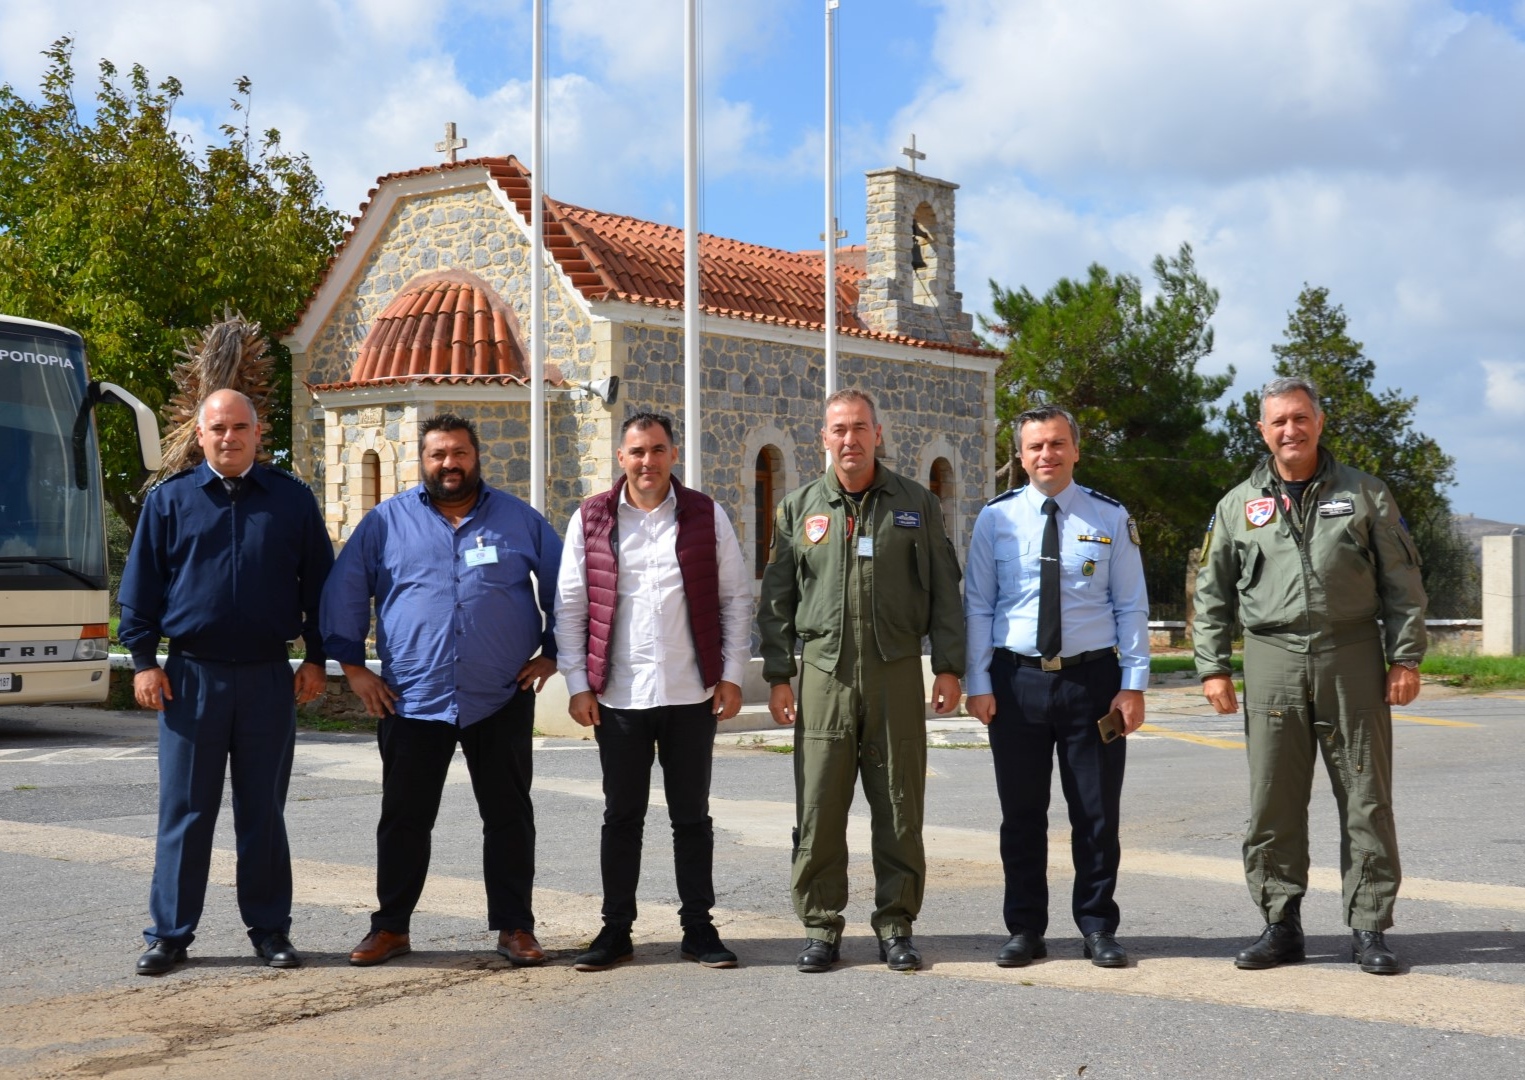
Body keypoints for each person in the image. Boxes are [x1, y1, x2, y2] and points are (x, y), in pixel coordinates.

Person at [1194, 376, 1427, 975]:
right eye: (1279, 422)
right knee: (1272, 799)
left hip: (1350, 652)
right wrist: (1212, 667)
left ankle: (1369, 927)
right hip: (1270, 657)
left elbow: (1402, 582)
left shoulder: (1365, 494)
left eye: (1300, 418)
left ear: (1319, 422)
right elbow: (1212, 592)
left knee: (1365, 796)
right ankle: (1280, 924)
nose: (1290, 430)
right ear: (1262, 430)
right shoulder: (1237, 505)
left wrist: (1405, 656)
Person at [321, 413, 561, 968]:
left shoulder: (519, 521)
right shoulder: (384, 523)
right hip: (410, 697)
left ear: (477, 458)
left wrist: (553, 650)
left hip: (498, 695)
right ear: (422, 462)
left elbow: (565, 587)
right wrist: (354, 668)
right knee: (404, 818)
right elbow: (346, 591)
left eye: (459, 453)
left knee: (508, 816)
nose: (449, 464)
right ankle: (391, 928)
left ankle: (515, 927)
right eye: (438, 455)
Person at [119, 389, 333, 976]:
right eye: (218, 428)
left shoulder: (290, 500)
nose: (230, 438)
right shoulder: (169, 502)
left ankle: (270, 931)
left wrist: (317, 657)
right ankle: (169, 934)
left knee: (263, 810)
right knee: (186, 810)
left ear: (258, 434)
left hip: (269, 676)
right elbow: (140, 589)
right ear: (201, 434)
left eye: (241, 427)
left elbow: (321, 586)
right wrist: (142, 660)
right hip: (190, 677)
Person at [758, 388, 965, 973]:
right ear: (823, 438)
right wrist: (779, 674)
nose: (849, 440)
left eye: (859, 428)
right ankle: (821, 926)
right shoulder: (799, 508)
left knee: (900, 804)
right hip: (823, 676)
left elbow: (946, 591)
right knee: (820, 804)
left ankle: (896, 924)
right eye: (838, 430)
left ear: (879, 434)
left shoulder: (916, 504)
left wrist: (947, 665)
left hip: (896, 672)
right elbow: (778, 598)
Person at [554, 412, 753, 972]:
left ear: (673, 454)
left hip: (691, 693)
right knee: (622, 817)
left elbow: (736, 598)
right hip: (617, 698)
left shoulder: (705, 514)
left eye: (658, 450)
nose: (648, 462)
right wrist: (578, 684)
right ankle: (616, 930)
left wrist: (732, 673)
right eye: (637, 451)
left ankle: (699, 929)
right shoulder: (591, 518)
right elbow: (570, 606)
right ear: (621, 458)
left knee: (692, 818)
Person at [963, 405, 1149, 970]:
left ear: (1076, 450)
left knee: (1095, 814)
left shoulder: (1109, 517)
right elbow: (978, 604)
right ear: (1019, 457)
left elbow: (1130, 603)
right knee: (1021, 815)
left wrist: (1133, 683)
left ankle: (1097, 925)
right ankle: (1025, 928)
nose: (1048, 455)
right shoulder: (995, 519)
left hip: (1092, 683)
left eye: (1058, 444)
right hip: (1015, 682)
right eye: (1036, 446)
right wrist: (977, 680)